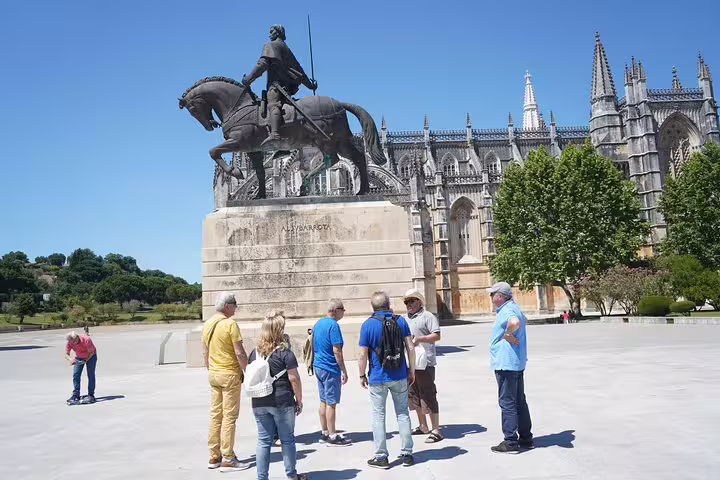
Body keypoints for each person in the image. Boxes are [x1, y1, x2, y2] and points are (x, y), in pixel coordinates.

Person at [358, 291, 416, 469]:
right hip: (399, 374)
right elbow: (411, 347)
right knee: (403, 413)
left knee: (378, 416)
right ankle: (407, 454)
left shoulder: (368, 325)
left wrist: (361, 375)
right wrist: (411, 371)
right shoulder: (400, 321)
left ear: (373, 307)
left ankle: (381, 456)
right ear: (389, 304)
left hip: (377, 377)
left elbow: (362, 354)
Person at [248, 310, 308, 480]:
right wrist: (299, 400)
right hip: (282, 401)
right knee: (287, 440)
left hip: (259, 401)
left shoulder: (255, 353)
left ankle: (262, 477)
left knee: (263, 441)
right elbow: (294, 378)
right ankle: (291, 475)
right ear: (279, 330)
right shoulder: (284, 352)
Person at [241, 24, 318, 145]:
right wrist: (310, 85)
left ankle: (275, 134)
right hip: (288, 89)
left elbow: (262, 64)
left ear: (278, 32)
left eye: (271, 31)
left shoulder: (271, 45)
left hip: (276, 86)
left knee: (273, 105)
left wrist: (249, 79)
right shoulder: (286, 49)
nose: (269, 34)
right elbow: (299, 70)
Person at [202, 292, 249, 470]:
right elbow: (239, 352)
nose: (236, 309)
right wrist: (248, 371)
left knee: (216, 414)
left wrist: (212, 370)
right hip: (229, 374)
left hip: (214, 373)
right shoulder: (230, 324)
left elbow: (205, 353)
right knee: (229, 416)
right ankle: (228, 458)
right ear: (227, 306)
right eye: (235, 305)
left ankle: (214, 456)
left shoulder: (208, 324)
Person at [487, 282, 533, 454]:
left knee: (507, 402)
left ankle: (510, 441)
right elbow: (522, 320)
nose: (491, 297)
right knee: (520, 401)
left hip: (506, 364)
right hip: (516, 362)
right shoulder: (515, 308)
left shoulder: (508, 311)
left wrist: (507, 334)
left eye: (493, 294)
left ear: (500, 296)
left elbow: (514, 322)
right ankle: (526, 438)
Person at [403, 289, 443, 444]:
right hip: (410, 363)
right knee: (414, 395)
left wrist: (420, 339)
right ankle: (423, 425)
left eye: (411, 301)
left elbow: (437, 335)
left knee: (428, 394)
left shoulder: (428, 316)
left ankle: (436, 430)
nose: (409, 305)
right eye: (406, 302)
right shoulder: (404, 319)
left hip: (425, 362)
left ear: (419, 301)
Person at [312, 298, 351, 447]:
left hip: (319, 366)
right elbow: (337, 351)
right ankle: (333, 436)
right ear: (335, 311)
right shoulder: (333, 326)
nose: (343, 313)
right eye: (342, 310)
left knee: (323, 400)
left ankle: (325, 432)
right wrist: (344, 371)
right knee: (331, 403)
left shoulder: (318, 324)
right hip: (330, 368)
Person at [64, 331, 97, 404]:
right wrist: (71, 359)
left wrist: (85, 361)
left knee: (90, 375)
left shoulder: (86, 340)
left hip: (91, 357)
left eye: (73, 341)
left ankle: (91, 395)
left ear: (76, 338)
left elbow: (91, 352)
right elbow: (66, 354)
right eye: (70, 342)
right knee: (76, 375)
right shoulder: (70, 342)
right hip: (79, 357)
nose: (72, 343)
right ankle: (76, 394)